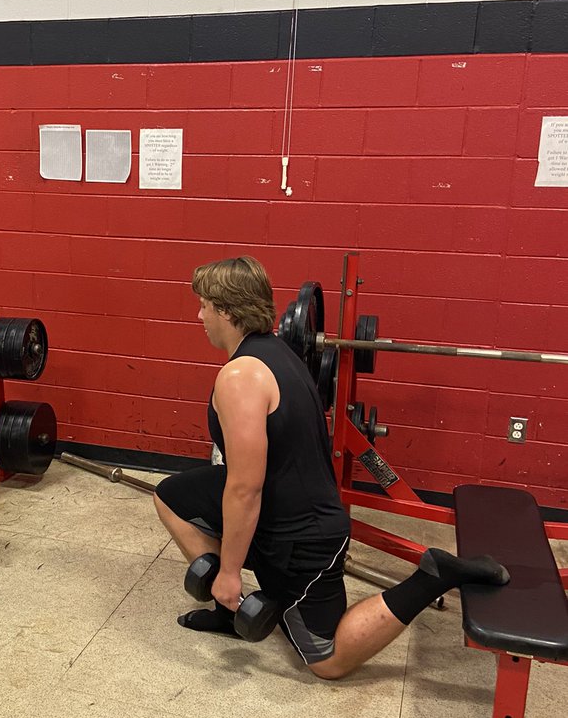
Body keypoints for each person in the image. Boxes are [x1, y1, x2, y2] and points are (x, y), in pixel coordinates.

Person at [153, 257, 507, 679]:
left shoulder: (240, 377)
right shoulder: (277, 352)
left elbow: (245, 488)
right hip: (283, 500)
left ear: (226, 310)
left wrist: (229, 572)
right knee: (171, 497)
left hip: (304, 534)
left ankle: (434, 575)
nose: (200, 316)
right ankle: (229, 611)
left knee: (327, 660)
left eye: (204, 306)